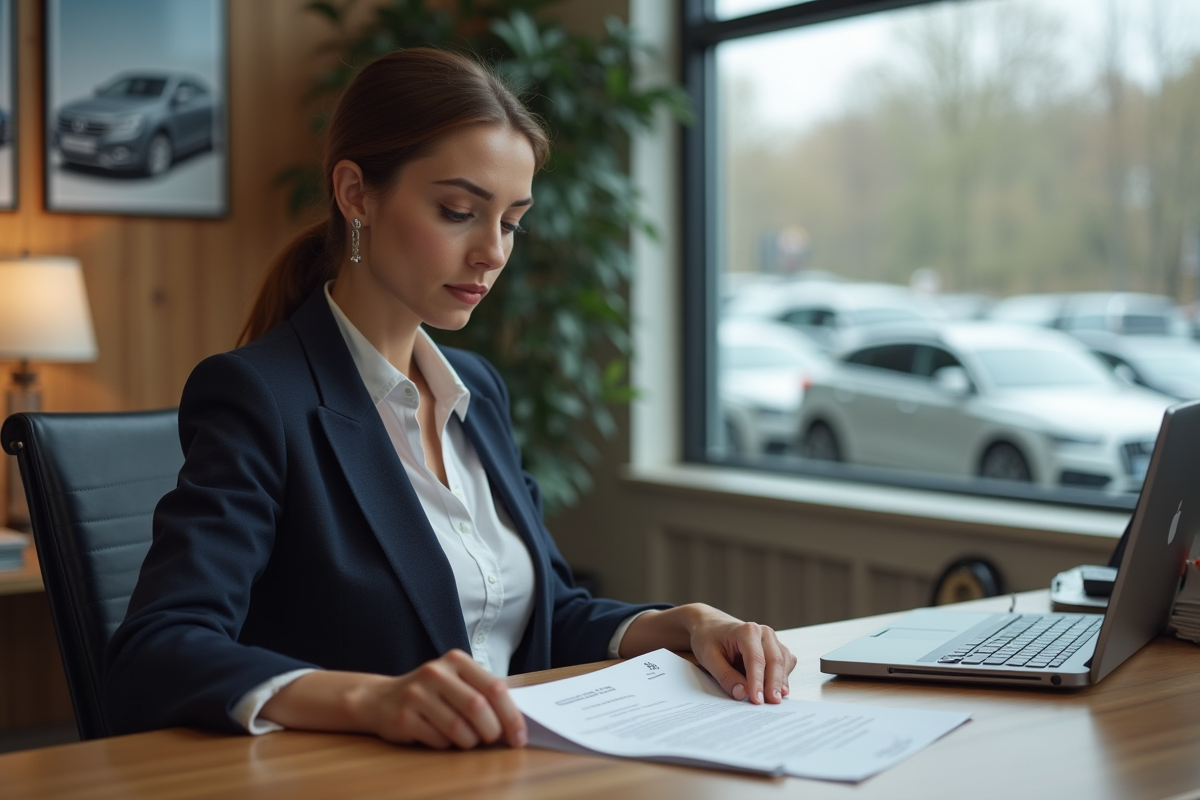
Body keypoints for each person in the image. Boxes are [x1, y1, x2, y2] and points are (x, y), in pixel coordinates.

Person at [104, 48, 796, 750]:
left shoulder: (477, 391)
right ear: (356, 194)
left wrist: (684, 623)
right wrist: (369, 699)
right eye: (459, 211)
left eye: (511, 222)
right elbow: (157, 649)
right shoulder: (259, 395)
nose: (493, 252)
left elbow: (540, 613)